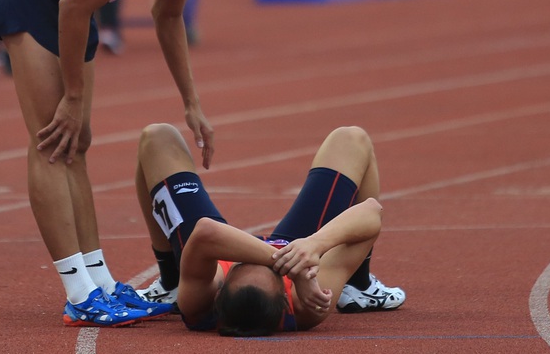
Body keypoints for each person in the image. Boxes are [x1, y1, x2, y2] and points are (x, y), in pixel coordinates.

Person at [0, 0, 277, 326]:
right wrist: (73, 96)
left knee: (76, 141)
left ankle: (99, 283)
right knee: (50, 139)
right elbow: (74, 8)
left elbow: (168, 14)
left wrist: (191, 103)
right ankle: (79, 294)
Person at [135, 123, 405, 336]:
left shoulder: (200, 302)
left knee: (157, 138)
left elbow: (207, 233)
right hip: (297, 246)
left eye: (242, 265)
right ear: (285, 298)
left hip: (210, 251)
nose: (265, 261)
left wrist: (287, 264)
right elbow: (371, 212)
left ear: (219, 290)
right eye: (275, 271)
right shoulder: (307, 304)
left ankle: (171, 283)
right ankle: (358, 285)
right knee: (352, 140)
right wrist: (313, 247)